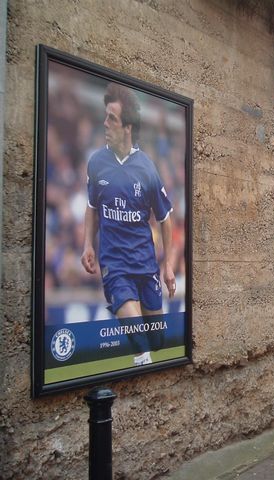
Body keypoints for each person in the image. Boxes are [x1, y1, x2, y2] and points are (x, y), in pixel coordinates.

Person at [81, 82, 175, 366]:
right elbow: (92, 207)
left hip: (145, 265)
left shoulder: (147, 168)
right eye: (105, 116)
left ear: (127, 128)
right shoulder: (96, 163)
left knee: (156, 340)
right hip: (115, 266)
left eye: (112, 118)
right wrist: (87, 244)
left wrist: (168, 263)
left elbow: (165, 220)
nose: (105, 123)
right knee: (140, 343)